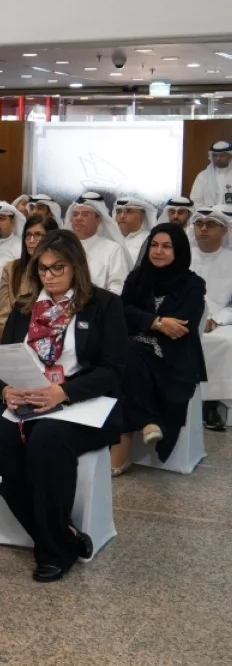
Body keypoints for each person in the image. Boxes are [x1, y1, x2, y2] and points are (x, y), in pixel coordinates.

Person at [0, 229, 126, 583]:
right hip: (28, 398)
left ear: (76, 266)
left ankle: (54, 551)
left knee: (48, 439)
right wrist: (7, 391)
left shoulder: (104, 305)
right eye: (43, 268)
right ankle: (62, 533)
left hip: (83, 401)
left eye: (59, 267)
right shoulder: (25, 307)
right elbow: (5, 359)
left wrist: (64, 392)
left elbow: (114, 370)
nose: (50, 276)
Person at [110, 223, 206, 475]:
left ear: (179, 250)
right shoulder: (137, 278)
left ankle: (121, 452)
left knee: (126, 357)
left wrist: (143, 322)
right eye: (154, 245)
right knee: (126, 355)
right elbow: (121, 310)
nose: (158, 251)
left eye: (166, 246)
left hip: (173, 359)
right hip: (135, 351)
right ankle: (147, 420)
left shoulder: (193, 284)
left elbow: (183, 326)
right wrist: (157, 322)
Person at [190, 207, 232, 430]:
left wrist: (215, 320)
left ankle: (213, 404)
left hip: (220, 321)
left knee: (226, 342)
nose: (203, 229)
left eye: (211, 224)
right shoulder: (182, 255)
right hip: (184, 317)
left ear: (224, 230)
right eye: (199, 224)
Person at [0, 213, 59, 337]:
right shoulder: (11, 269)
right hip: (16, 335)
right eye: (28, 235)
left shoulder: (60, 269)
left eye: (38, 235)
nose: (31, 241)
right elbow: (3, 317)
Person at [67, 192, 132, 292]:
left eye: (85, 214)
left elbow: (118, 286)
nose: (78, 218)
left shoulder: (113, 249)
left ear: (98, 220)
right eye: (75, 215)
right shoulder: (64, 246)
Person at [189, 140, 232, 207]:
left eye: (222, 155)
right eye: (215, 155)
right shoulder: (202, 176)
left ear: (230, 156)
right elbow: (195, 200)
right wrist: (209, 212)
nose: (218, 158)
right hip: (207, 213)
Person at [113, 196, 156, 262]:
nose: (122, 216)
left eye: (129, 211)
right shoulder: (111, 238)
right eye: (118, 211)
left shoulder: (150, 241)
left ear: (142, 216)